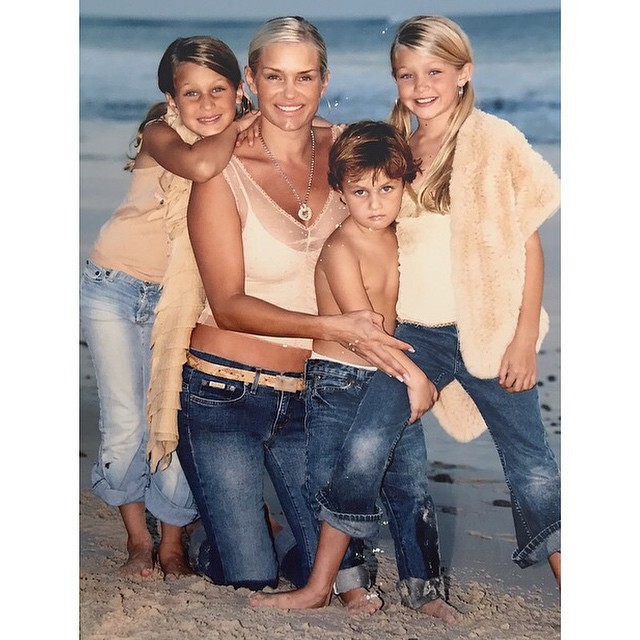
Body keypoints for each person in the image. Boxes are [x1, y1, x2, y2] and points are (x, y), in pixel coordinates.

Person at [261, 13, 561, 599]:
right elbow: (324, 138)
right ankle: (322, 584)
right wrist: (253, 120)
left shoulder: (494, 141)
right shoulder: (397, 147)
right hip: (415, 334)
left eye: (435, 72)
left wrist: (524, 338)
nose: (421, 86)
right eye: (406, 74)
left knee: (532, 463)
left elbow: (528, 244)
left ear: (464, 73)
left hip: (489, 328)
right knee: (363, 447)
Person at [146, 16, 413, 598]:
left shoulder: (349, 154)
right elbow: (228, 305)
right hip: (222, 395)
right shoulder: (222, 170)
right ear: (251, 80)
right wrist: (333, 325)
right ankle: (223, 533)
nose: (289, 93)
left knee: (333, 572)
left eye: (304, 77)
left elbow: (434, 195)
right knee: (251, 576)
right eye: (274, 77)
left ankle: (257, 523)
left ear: (324, 80)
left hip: (313, 399)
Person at [250, 120, 459, 622]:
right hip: (339, 381)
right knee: (333, 480)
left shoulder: (400, 239)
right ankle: (341, 584)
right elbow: (361, 333)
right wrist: (415, 377)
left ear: (404, 185)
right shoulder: (341, 248)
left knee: (408, 482)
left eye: (387, 189)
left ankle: (424, 588)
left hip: (388, 378)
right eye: (360, 191)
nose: (375, 203)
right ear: (341, 193)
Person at [80, 35, 259, 579]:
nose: (205, 104)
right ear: (171, 98)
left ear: (239, 89)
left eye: (218, 90)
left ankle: (173, 543)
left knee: (175, 417)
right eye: (191, 93)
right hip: (115, 286)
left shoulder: (246, 138)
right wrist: (243, 124)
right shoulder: (161, 132)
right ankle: (139, 539)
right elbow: (200, 165)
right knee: (126, 424)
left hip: (184, 300)